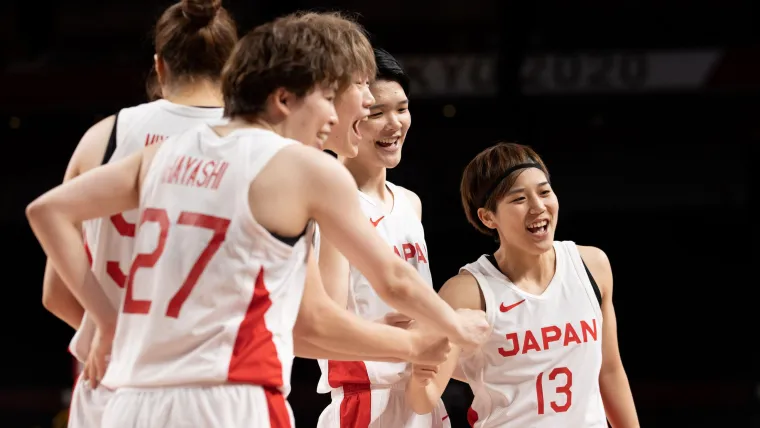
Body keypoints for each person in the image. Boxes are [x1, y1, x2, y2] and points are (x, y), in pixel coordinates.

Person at [27, 13, 489, 428]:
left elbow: (46, 211)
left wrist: (107, 320)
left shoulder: (166, 151)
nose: (337, 112)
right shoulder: (299, 168)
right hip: (230, 397)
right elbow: (368, 293)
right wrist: (444, 330)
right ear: (285, 98)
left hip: (129, 399)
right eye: (331, 95)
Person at [40, 0, 238, 426]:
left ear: (160, 67)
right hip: (210, 387)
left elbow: (55, 294)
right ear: (234, 67)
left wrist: (115, 331)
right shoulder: (254, 144)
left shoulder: (103, 138)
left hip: (110, 379)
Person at [403, 142, 640, 427]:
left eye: (544, 192)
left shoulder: (592, 265)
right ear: (488, 217)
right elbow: (424, 399)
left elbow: (610, 372)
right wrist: (418, 368)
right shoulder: (467, 292)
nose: (538, 206)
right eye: (519, 199)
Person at [313, 48, 449, 428]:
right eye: (377, 113)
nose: (395, 124)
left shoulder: (411, 203)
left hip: (424, 394)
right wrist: (379, 335)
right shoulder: (325, 201)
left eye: (402, 109)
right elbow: (319, 325)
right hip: (365, 401)